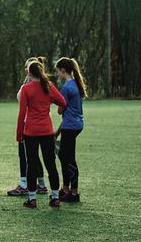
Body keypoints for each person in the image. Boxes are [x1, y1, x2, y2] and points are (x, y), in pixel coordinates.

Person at [16, 61, 67, 209]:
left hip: (30, 131)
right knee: (50, 164)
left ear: (29, 73)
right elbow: (62, 101)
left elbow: (22, 114)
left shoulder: (26, 89)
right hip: (47, 131)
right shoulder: (48, 86)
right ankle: (56, 198)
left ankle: (32, 199)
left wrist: (19, 134)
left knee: (31, 165)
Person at [7, 57, 49, 197]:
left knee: (25, 156)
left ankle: (24, 185)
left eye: (28, 67)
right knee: (34, 156)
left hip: (29, 125)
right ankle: (42, 184)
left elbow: (20, 99)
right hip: (40, 125)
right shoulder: (40, 83)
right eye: (25, 66)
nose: (26, 69)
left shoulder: (30, 84)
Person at [55, 57, 86, 203]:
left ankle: (74, 192)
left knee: (69, 158)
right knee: (62, 155)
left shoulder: (66, 88)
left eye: (58, 72)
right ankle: (65, 188)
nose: (57, 75)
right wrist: (57, 133)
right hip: (75, 124)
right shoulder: (76, 84)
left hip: (71, 126)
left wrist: (57, 105)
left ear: (62, 71)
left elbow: (60, 111)